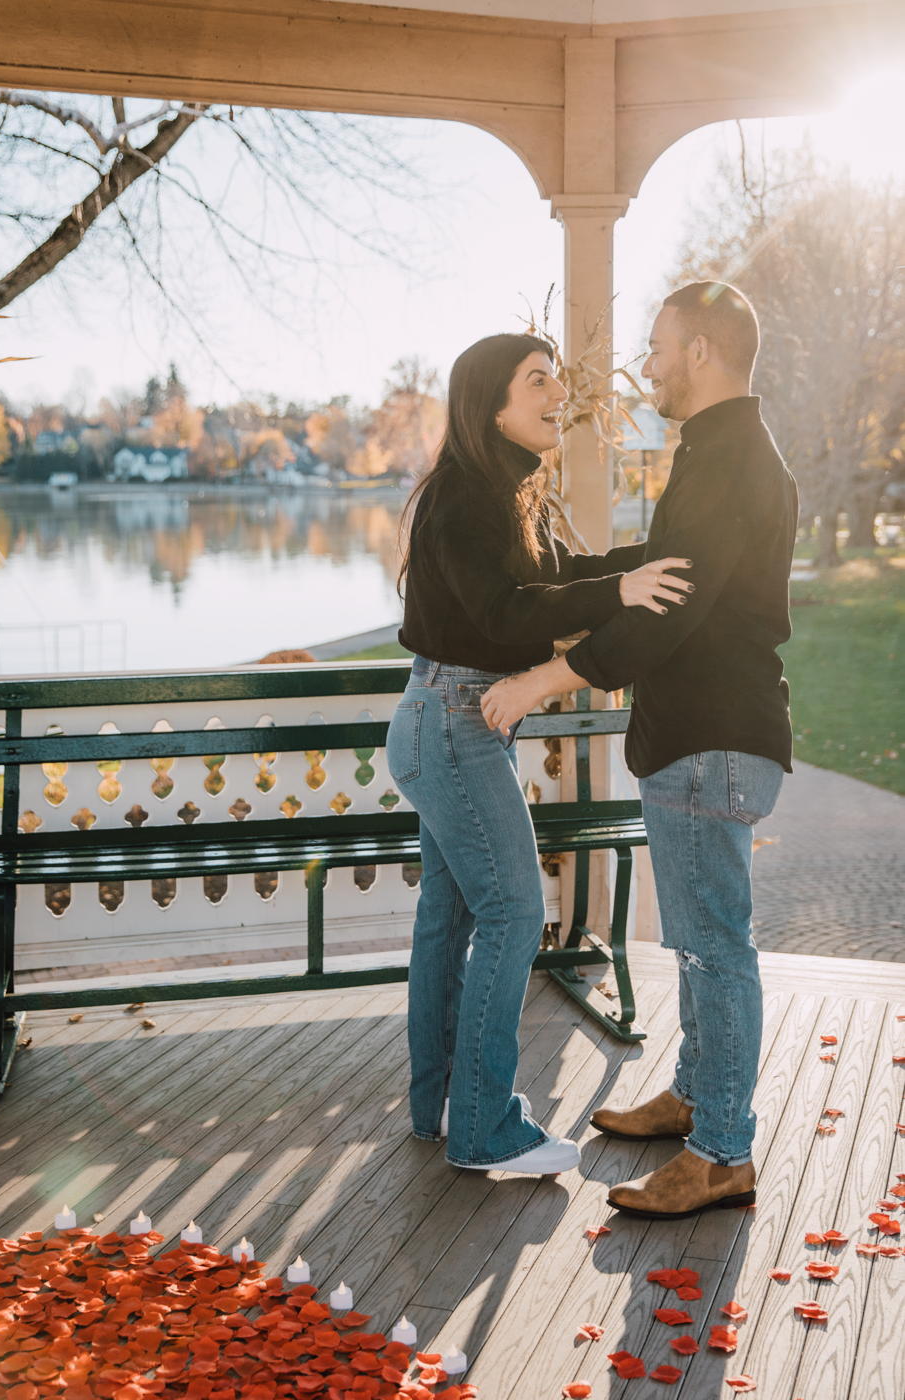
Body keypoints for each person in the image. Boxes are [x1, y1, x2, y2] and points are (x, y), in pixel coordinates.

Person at [480, 283, 797, 1215]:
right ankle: (696, 1101)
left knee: (713, 950)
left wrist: (542, 681)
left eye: (657, 348)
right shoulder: (716, 451)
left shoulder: (730, 458)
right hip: (694, 734)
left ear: (700, 352)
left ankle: (722, 1153)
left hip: (712, 735)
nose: (645, 366)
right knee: (696, 946)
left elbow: (668, 610)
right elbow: (656, 590)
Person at [386, 332, 692, 1175]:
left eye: (554, 373)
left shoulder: (510, 491)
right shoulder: (463, 497)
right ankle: (486, 1129)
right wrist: (616, 590)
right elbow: (504, 614)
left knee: (447, 921)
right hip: (451, 722)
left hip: (452, 720)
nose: (558, 389)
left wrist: (653, 561)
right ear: (491, 405)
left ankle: (439, 1108)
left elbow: (570, 573)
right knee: (517, 913)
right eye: (537, 379)